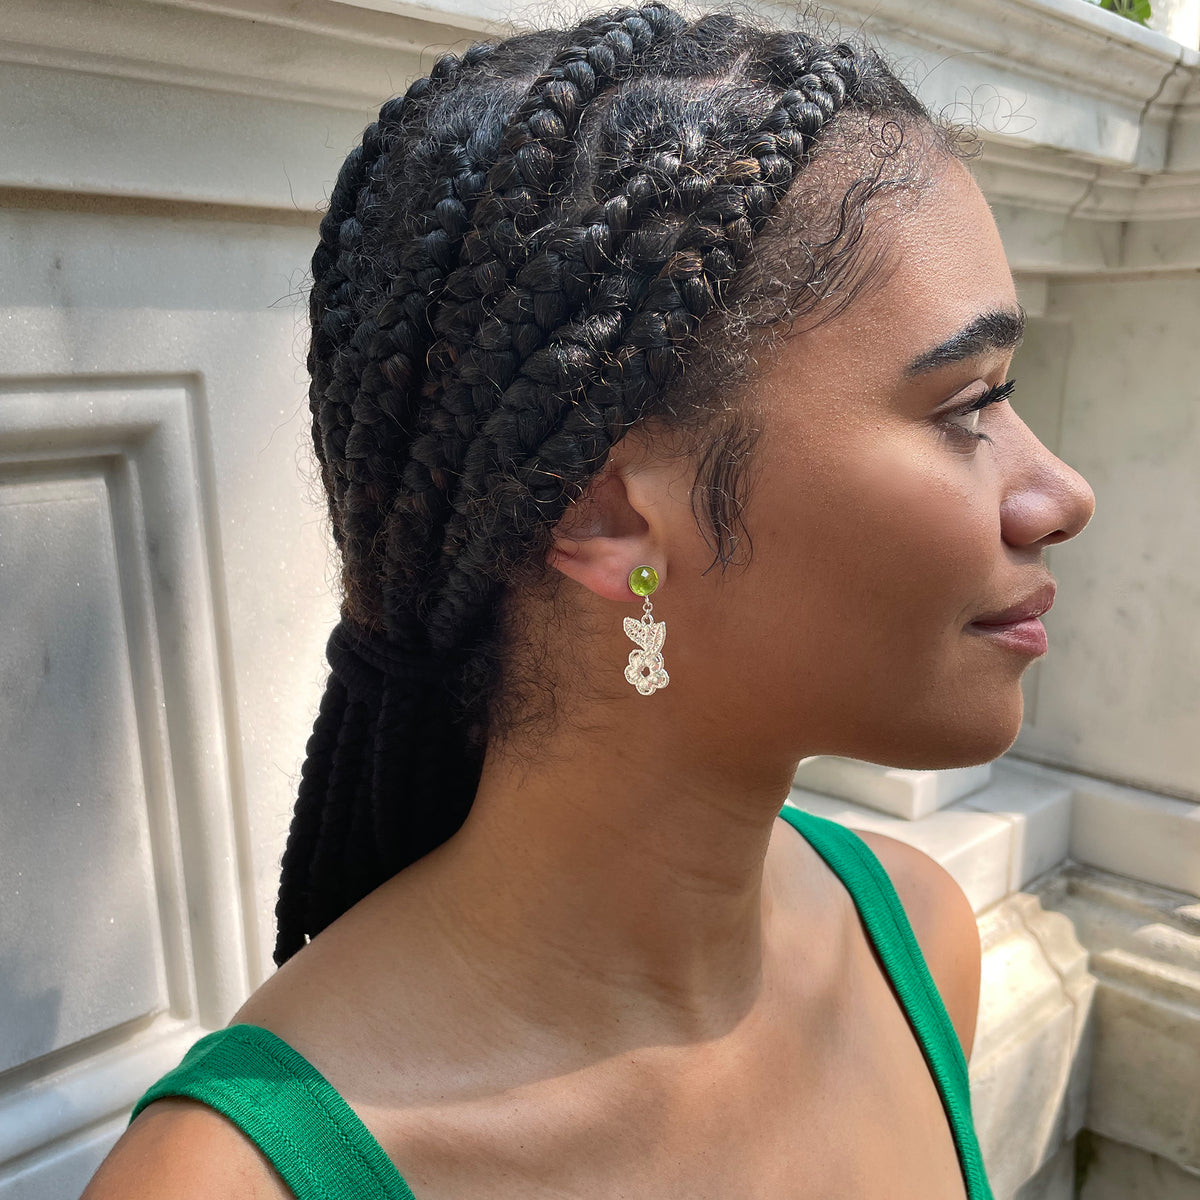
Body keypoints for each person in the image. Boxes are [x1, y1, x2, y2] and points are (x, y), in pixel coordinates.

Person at [83, 5, 1095, 1198]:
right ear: (605, 516)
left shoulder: (913, 942)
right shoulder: (226, 1182)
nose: (1061, 494)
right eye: (968, 406)